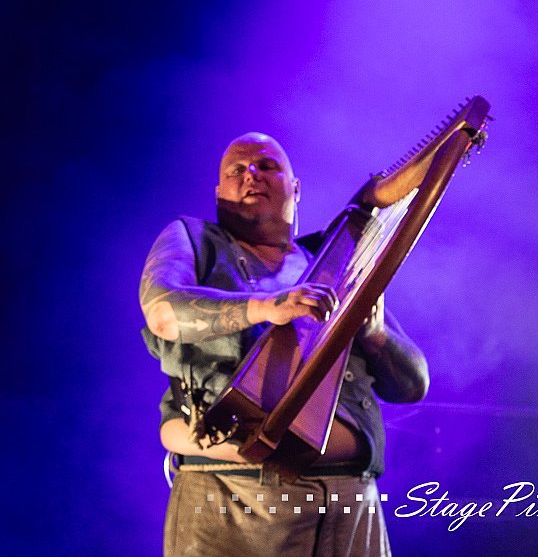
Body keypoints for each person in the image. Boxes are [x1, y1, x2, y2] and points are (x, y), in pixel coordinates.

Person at [140, 132, 429, 557]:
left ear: (296, 187)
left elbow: (414, 385)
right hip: (234, 500)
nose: (251, 174)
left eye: (267, 165)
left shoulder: (332, 262)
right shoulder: (193, 239)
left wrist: (374, 334)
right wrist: (269, 307)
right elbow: (163, 311)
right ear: (219, 194)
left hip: (352, 502)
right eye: (236, 170)